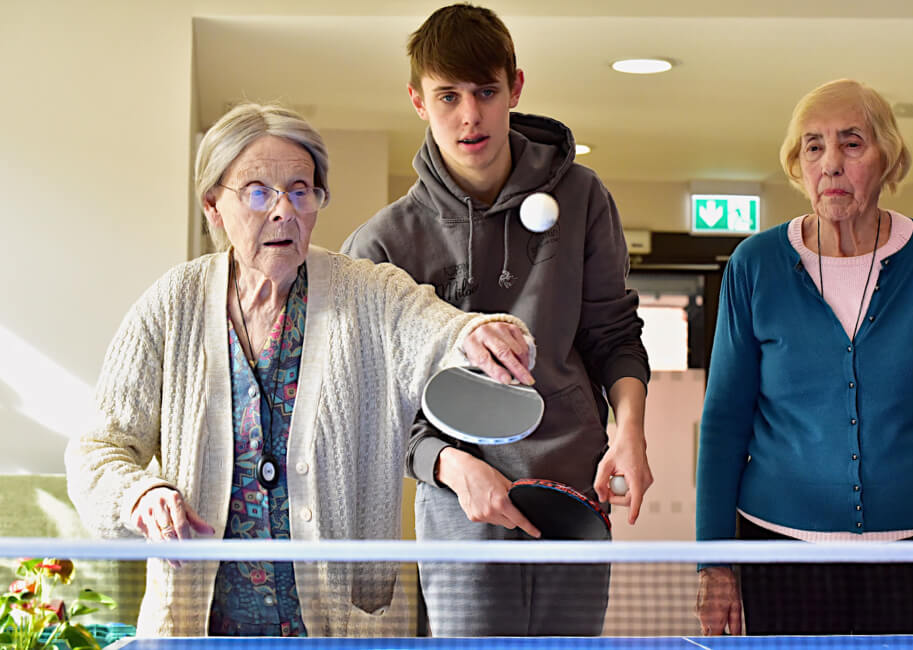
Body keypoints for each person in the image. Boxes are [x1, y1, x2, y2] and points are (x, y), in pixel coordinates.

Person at [65, 103, 535, 637]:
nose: (284, 210)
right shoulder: (172, 304)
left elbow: (430, 328)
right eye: (258, 191)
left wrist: (472, 335)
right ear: (214, 206)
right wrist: (140, 496)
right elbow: (97, 450)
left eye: (300, 189)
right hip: (200, 628)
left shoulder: (369, 293)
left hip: (343, 630)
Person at [342, 3, 652, 637]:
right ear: (417, 100)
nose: (469, 115)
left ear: (516, 86)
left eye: (486, 91)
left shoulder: (584, 197)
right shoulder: (381, 246)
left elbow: (614, 336)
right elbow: (374, 410)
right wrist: (450, 467)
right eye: (447, 95)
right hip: (462, 497)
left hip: (573, 484)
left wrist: (631, 432)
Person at [694, 79, 913, 636]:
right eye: (813, 146)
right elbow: (723, 424)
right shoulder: (755, 265)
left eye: (852, 143)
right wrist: (714, 561)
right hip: (780, 548)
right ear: (798, 164)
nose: (831, 164)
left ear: (887, 159)